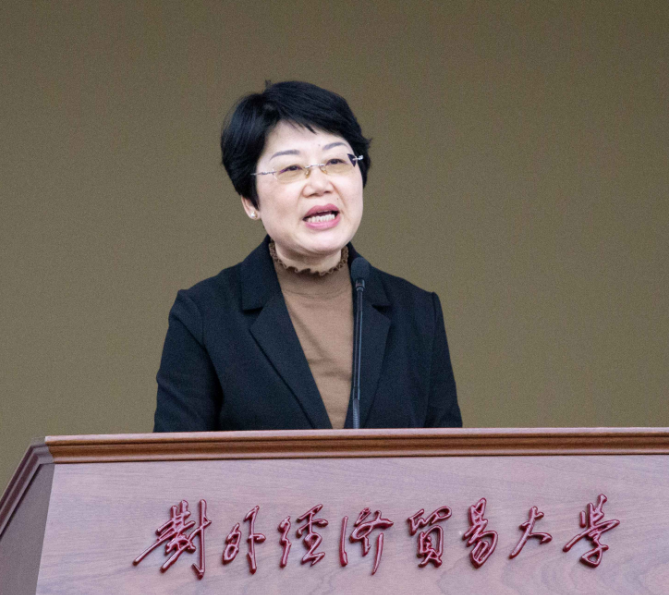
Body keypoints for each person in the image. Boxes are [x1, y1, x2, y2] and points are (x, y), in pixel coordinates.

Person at [154, 81, 461, 432]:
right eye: (291, 169)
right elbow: (176, 464)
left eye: (336, 161)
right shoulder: (204, 316)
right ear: (250, 201)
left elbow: (451, 460)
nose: (319, 184)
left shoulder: (418, 314)